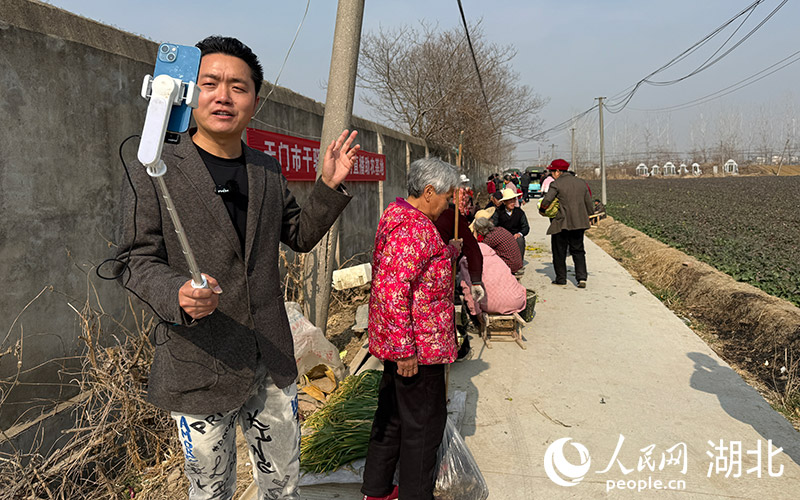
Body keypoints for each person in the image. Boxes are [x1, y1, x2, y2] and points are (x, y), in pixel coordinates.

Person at [115, 36, 361, 500]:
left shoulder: (266, 169)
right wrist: (178, 294)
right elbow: (133, 260)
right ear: (189, 93)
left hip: (270, 357)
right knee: (210, 490)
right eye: (210, 83)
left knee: (283, 483)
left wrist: (327, 186)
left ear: (254, 100)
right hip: (199, 362)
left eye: (238, 86)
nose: (224, 96)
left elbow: (299, 235)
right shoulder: (154, 167)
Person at [363, 157, 463, 500]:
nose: (449, 203)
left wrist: (445, 253)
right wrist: (406, 352)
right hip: (419, 350)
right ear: (429, 191)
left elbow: (412, 271)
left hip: (405, 343)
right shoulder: (413, 229)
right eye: (447, 197)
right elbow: (392, 292)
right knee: (423, 428)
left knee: (391, 417)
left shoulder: (401, 217)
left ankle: (376, 491)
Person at [538, 159, 593, 288]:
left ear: (558, 171)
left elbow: (547, 200)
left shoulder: (556, 184)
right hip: (579, 222)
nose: (551, 174)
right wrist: (589, 214)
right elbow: (588, 203)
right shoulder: (581, 183)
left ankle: (561, 278)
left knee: (559, 251)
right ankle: (581, 278)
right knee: (578, 250)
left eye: (552, 171)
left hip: (561, 223)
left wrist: (542, 209)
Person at [457, 242, 526, 317]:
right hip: (517, 301)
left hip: (491, 305)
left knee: (468, 287)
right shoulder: (495, 257)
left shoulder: (466, 261)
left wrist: (476, 312)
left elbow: (468, 289)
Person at [490, 188, 529, 263]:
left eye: (513, 200)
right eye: (510, 201)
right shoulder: (498, 212)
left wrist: (519, 234)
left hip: (515, 236)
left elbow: (525, 227)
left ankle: (518, 263)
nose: (512, 203)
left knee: (520, 240)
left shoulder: (519, 212)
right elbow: (493, 226)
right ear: (504, 202)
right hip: (502, 237)